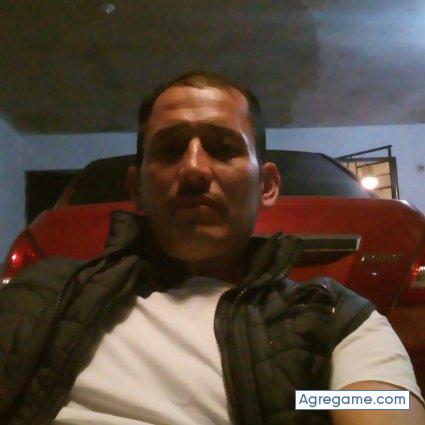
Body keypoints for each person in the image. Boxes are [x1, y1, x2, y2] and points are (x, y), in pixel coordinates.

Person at [0, 71, 424, 425]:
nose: (194, 169)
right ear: (136, 189)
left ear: (267, 186)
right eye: (169, 150)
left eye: (223, 149)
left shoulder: (337, 318)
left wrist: (306, 397)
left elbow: (381, 403)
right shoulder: (43, 293)